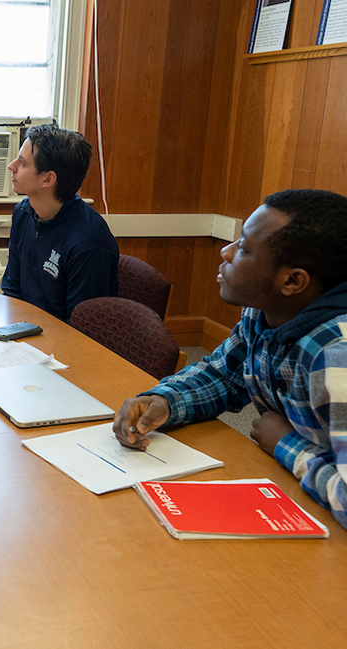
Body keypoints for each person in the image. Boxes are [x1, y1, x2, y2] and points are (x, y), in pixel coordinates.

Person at [113, 189, 347, 531]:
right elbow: (224, 374)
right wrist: (164, 400)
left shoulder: (336, 358)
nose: (225, 251)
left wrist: (287, 445)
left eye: (244, 249)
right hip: (303, 499)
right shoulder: (262, 313)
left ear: (293, 281)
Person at [0, 124, 118, 321]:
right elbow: (12, 289)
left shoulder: (89, 243)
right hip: (25, 334)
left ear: (47, 179)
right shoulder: (23, 213)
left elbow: (82, 328)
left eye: (22, 162)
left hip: (63, 345)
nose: (11, 166)